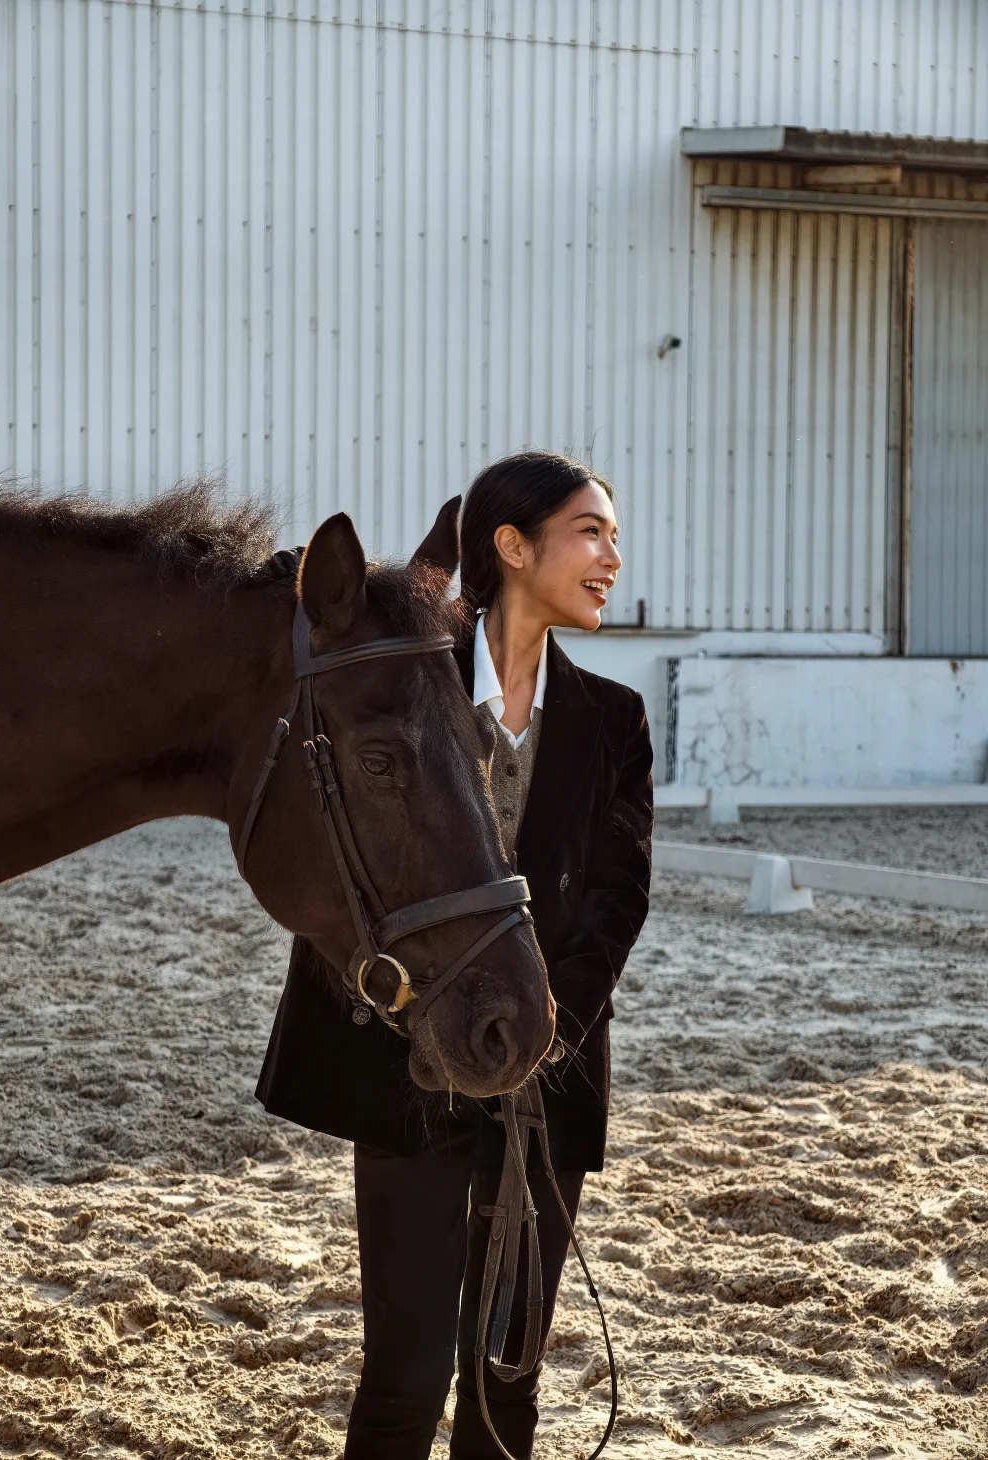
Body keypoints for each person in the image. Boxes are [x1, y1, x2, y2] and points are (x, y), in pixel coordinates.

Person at [256, 450, 653, 1459]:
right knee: (403, 1380)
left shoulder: (615, 719)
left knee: (504, 1386)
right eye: (591, 531)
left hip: (546, 1072)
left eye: (613, 532)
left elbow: (618, 893)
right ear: (513, 547)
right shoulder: (397, 680)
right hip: (406, 1074)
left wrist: (548, 1023)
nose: (614, 554)